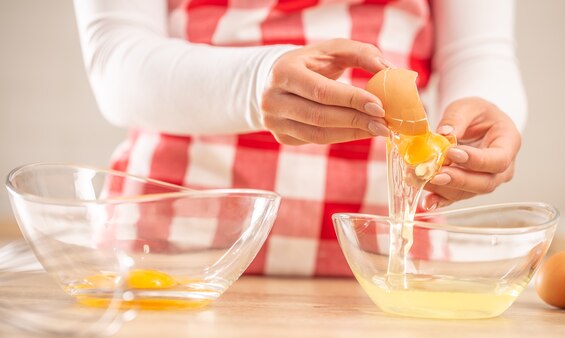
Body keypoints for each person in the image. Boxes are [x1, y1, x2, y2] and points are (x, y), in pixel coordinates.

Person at [74, 0, 525, 276]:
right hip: (172, 254)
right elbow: (115, 60)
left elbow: (478, 50)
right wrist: (253, 84)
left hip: (390, 262)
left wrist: (490, 114)